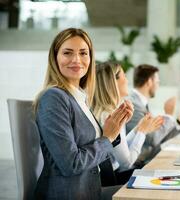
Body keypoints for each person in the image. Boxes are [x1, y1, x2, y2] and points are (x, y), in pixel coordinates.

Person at [33, 28, 129, 199]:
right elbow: (71, 164)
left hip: (92, 190)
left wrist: (115, 129)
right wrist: (108, 138)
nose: (76, 60)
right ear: (55, 58)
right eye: (67, 53)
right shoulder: (54, 97)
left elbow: (96, 153)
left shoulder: (80, 97)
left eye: (83, 53)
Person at [92, 61, 164, 173]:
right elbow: (127, 163)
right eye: (124, 76)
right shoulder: (112, 116)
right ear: (113, 82)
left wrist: (137, 129)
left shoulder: (107, 111)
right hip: (113, 179)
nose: (127, 80)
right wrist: (142, 133)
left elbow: (120, 147)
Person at [126, 64, 180, 168]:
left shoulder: (141, 103)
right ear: (149, 82)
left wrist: (179, 121)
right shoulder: (133, 105)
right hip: (136, 166)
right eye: (157, 82)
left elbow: (157, 139)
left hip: (146, 162)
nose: (158, 86)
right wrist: (169, 115)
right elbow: (152, 140)